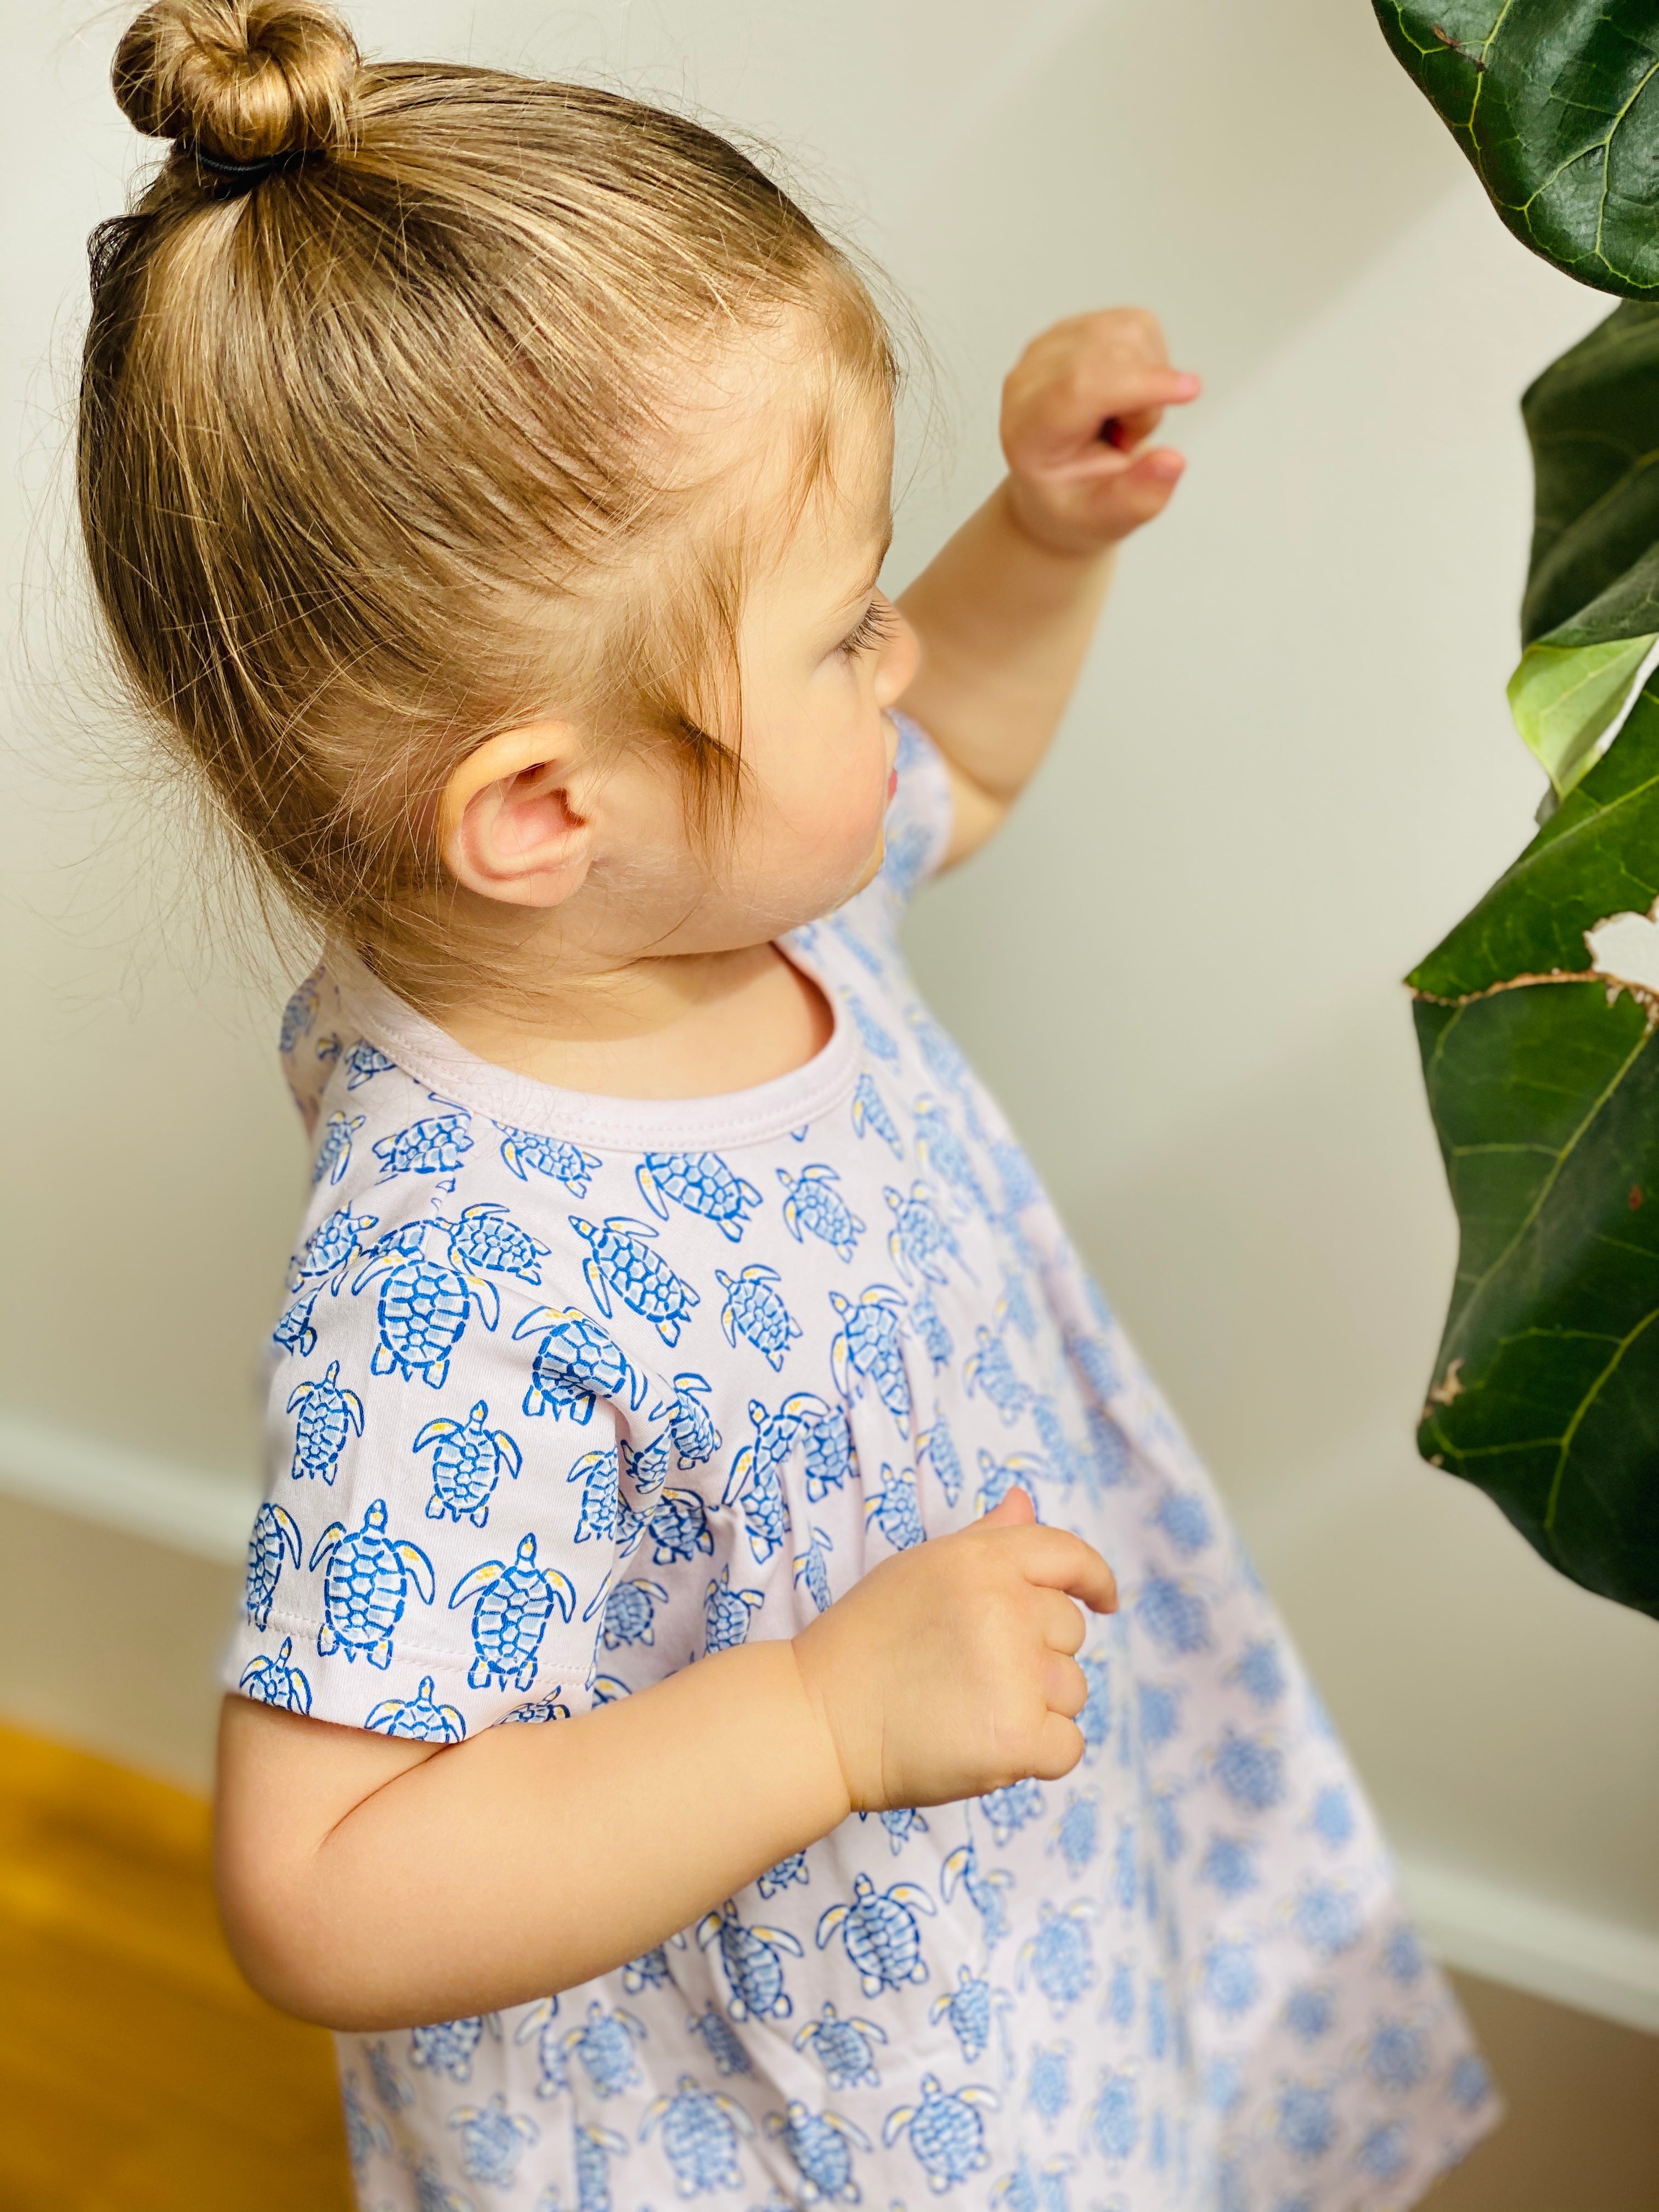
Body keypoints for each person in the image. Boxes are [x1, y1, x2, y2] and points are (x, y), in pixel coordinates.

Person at [78, 4, 1498, 2205]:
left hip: (1000, 1908)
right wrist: (818, 1719)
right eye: (847, 632)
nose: (900, 658)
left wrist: (1043, 537)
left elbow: (974, 760)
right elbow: (326, 1881)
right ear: (548, 808)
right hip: (769, 2094)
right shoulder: (451, 1260)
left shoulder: (736, 907)